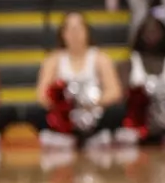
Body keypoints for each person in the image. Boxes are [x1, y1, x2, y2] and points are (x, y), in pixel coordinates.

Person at [22, 11, 124, 149]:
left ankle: (94, 136)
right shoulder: (53, 60)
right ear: (62, 34)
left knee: (118, 111)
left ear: (87, 31)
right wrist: (63, 106)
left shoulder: (100, 58)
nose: (74, 34)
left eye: (79, 28)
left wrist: (92, 102)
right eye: (70, 29)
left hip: (94, 113)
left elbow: (115, 91)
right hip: (64, 116)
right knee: (34, 113)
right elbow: (41, 95)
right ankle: (63, 136)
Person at [120, 14, 165, 146]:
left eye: (155, 31)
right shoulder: (128, 64)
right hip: (135, 126)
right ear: (139, 34)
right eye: (147, 31)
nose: (151, 35)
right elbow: (123, 97)